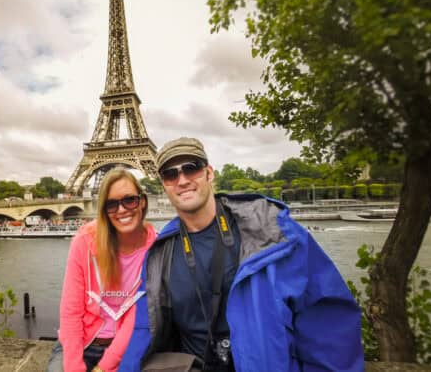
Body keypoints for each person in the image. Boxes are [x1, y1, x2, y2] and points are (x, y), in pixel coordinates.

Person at [121, 137, 363, 371]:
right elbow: (144, 331)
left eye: (191, 168)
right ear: (164, 184)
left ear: (209, 172)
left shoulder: (276, 234)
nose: (182, 179)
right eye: (170, 174)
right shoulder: (160, 254)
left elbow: (327, 323)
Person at [48, 168, 158, 372]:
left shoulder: (157, 249)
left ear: (142, 201)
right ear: (103, 210)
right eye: (112, 204)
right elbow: (71, 311)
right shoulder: (84, 241)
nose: (122, 209)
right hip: (83, 342)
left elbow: (136, 319)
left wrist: (103, 368)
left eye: (130, 200)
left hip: (128, 346)